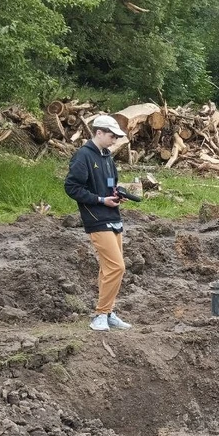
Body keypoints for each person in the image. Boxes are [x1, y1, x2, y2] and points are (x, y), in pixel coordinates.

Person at [64, 114, 133, 332]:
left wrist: (115, 194)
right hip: (96, 218)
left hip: (112, 216)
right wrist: (101, 200)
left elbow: (111, 182)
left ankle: (108, 311)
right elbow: (72, 187)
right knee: (117, 266)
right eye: (113, 136)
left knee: (108, 269)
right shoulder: (83, 156)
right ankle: (100, 315)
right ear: (99, 133)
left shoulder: (107, 157)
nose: (115, 140)